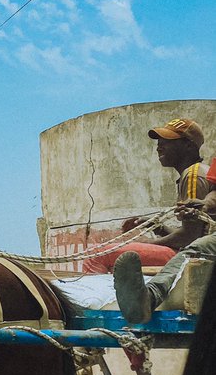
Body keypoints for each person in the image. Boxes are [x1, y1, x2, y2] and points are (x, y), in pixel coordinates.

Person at [83, 117, 211, 274]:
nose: (159, 147)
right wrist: (158, 227)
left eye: (167, 141)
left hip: (190, 257)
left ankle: (92, 299)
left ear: (189, 145)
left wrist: (151, 243)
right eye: (159, 142)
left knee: (97, 255)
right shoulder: (197, 172)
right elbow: (195, 232)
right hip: (192, 252)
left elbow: (190, 237)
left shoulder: (192, 175)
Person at [114, 191, 216, 323]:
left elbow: (188, 236)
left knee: (200, 245)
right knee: (200, 247)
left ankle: (151, 297)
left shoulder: (192, 176)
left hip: (183, 247)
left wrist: (148, 242)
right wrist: (205, 204)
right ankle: (147, 300)